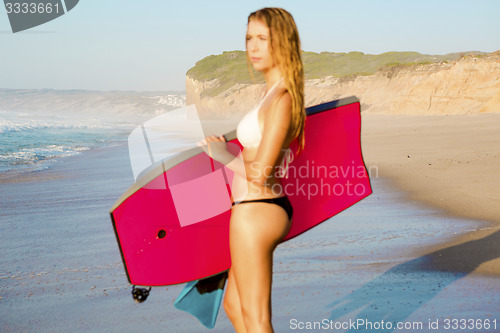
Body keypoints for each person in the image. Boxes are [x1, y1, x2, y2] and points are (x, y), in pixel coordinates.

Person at [201, 7, 305, 332]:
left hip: (258, 210)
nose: (253, 47)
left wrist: (221, 154)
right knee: (234, 305)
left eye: (263, 38)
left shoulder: (283, 98)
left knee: (258, 320)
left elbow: (262, 172)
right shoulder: (268, 93)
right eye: (249, 38)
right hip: (249, 207)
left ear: (283, 42)